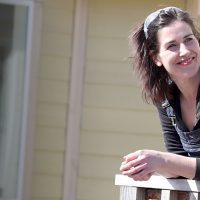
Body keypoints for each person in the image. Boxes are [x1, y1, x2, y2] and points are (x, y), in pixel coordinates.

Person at [120, 6, 200, 181]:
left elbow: (174, 162)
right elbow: (180, 163)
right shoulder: (166, 98)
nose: (185, 51)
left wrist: (162, 161)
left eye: (189, 39)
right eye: (172, 45)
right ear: (156, 57)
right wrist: (147, 166)